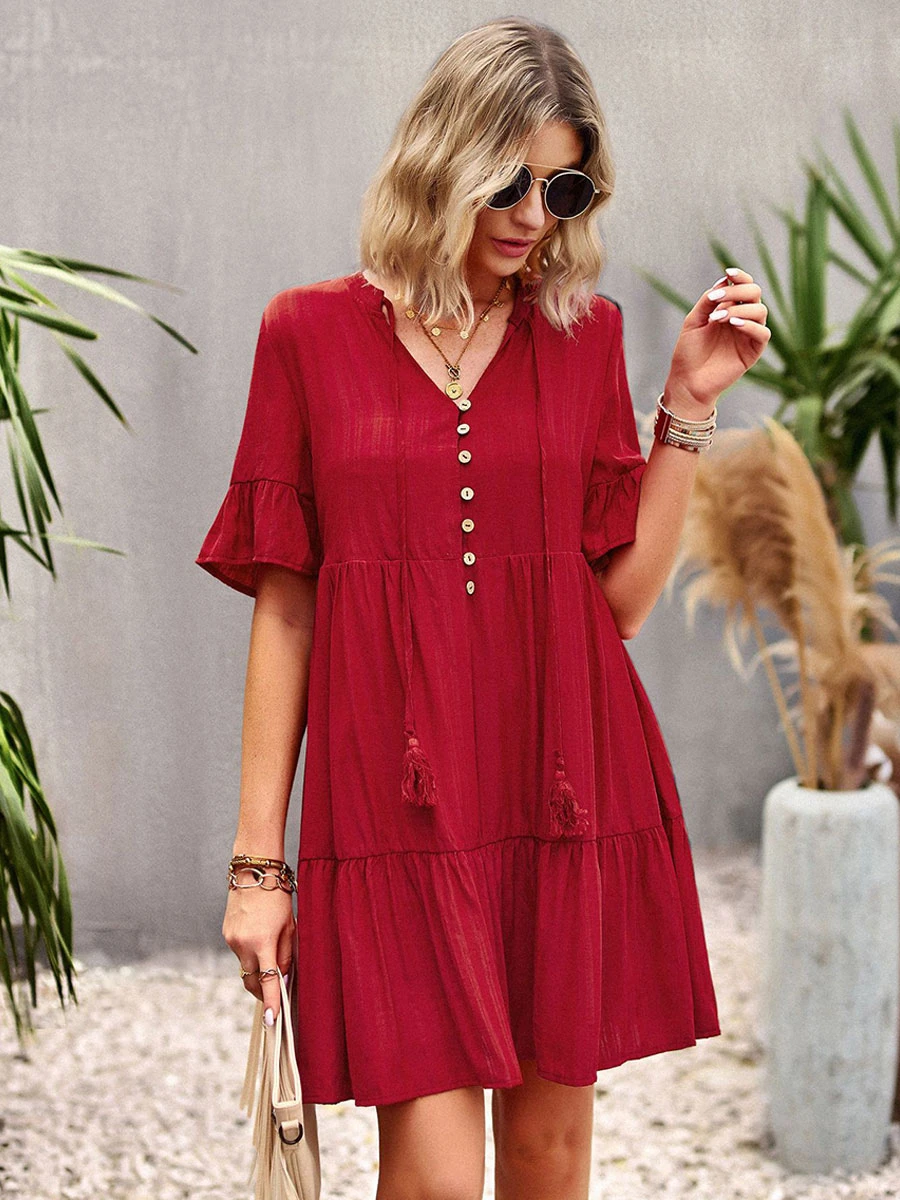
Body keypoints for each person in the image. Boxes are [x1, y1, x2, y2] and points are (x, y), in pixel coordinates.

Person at [195, 16, 769, 1200]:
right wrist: (259, 866)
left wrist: (687, 405)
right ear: (440, 157)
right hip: (396, 805)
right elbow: (287, 609)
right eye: (508, 181)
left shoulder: (585, 336)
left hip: (558, 781)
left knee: (552, 1158)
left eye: (564, 188)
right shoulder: (306, 334)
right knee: (436, 1180)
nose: (533, 215)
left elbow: (617, 606)